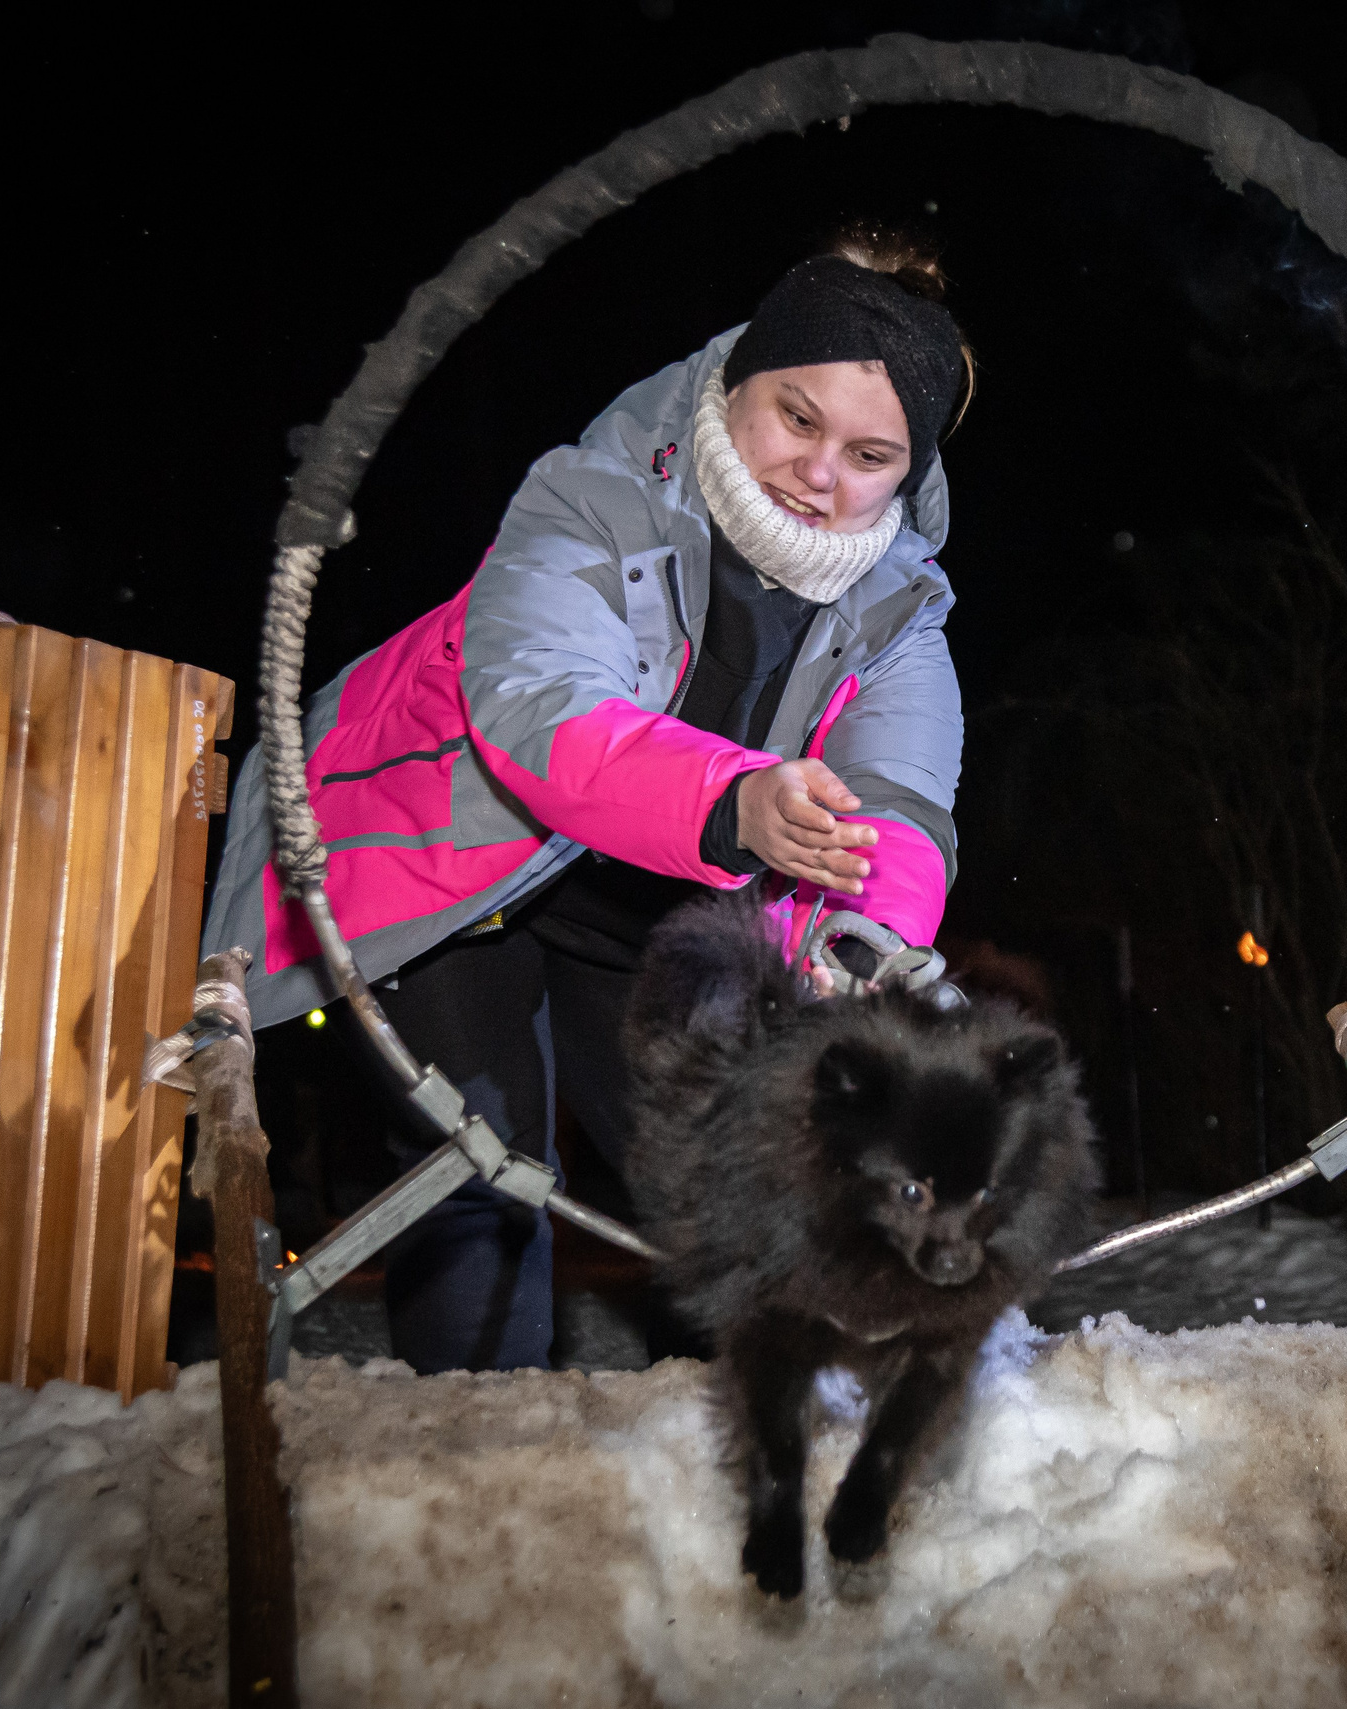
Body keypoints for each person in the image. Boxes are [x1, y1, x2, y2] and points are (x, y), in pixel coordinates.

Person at [203, 231, 973, 1373]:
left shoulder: (897, 609)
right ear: (735, 384)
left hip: (652, 909)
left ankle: (781, 1447)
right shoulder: (595, 495)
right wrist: (741, 800)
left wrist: (861, 938)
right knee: (478, 1160)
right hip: (449, 858)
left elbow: (897, 798)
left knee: (727, 1168)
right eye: (795, 419)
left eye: (869, 453)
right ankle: (476, 1466)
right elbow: (540, 707)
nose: (820, 473)